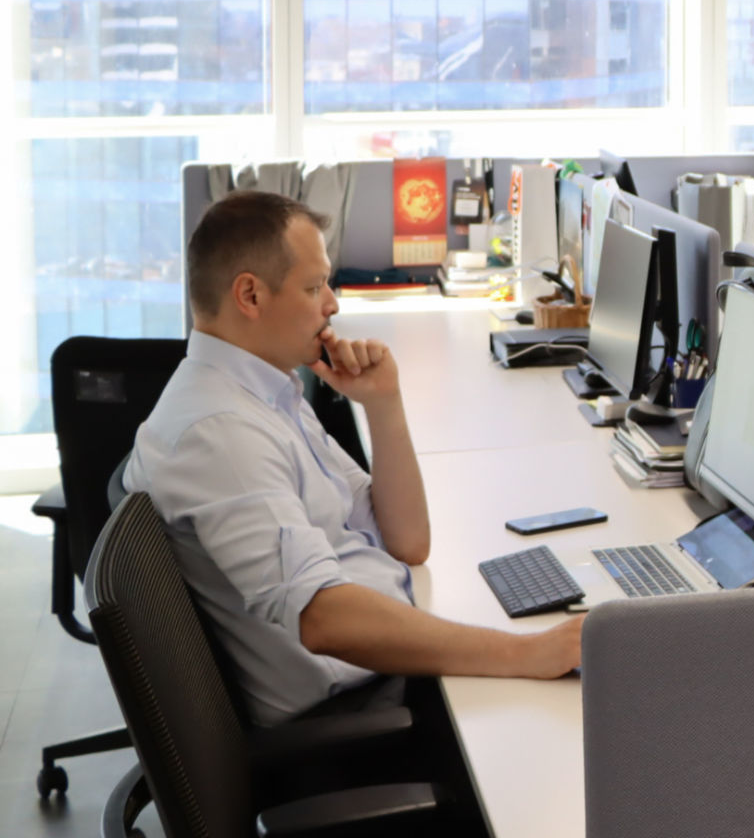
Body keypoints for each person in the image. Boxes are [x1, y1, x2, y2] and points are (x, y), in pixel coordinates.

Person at [127, 190, 583, 727]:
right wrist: (526, 653)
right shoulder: (221, 434)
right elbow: (323, 619)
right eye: (313, 287)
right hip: (359, 713)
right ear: (250, 295)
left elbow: (406, 542)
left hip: (390, 659)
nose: (332, 304)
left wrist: (383, 404)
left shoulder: (265, 391)